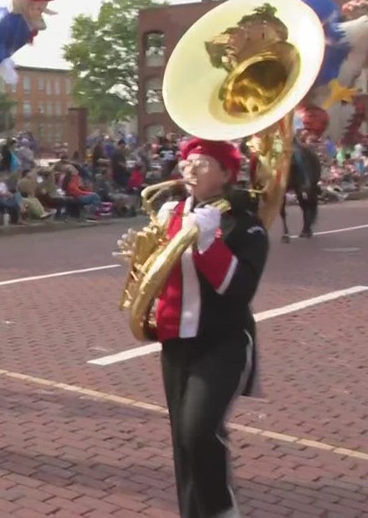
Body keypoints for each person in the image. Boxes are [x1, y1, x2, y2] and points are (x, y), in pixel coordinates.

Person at [149, 137, 268, 518]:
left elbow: (236, 291)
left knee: (199, 432)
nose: (189, 169)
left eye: (201, 163)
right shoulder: (170, 214)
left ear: (226, 174)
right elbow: (159, 279)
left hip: (224, 341)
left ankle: (221, 512)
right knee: (183, 445)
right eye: (187, 162)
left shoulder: (245, 225)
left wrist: (207, 243)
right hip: (176, 342)